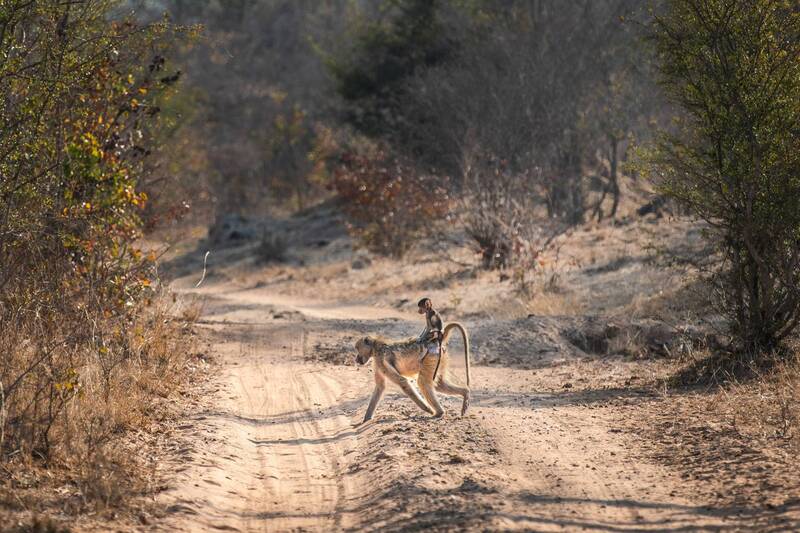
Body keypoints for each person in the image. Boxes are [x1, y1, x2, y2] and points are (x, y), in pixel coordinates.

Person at [417, 297, 443, 361]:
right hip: (433, 330)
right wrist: (421, 335)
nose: (420, 309)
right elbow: (427, 326)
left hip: (437, 332)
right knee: (420, 339)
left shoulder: (432, 313)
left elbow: (431, 328)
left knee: (423, 341)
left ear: (426, 306)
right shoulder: (427, 313)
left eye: (421, 308)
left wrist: (423, 337)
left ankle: (434, 352)